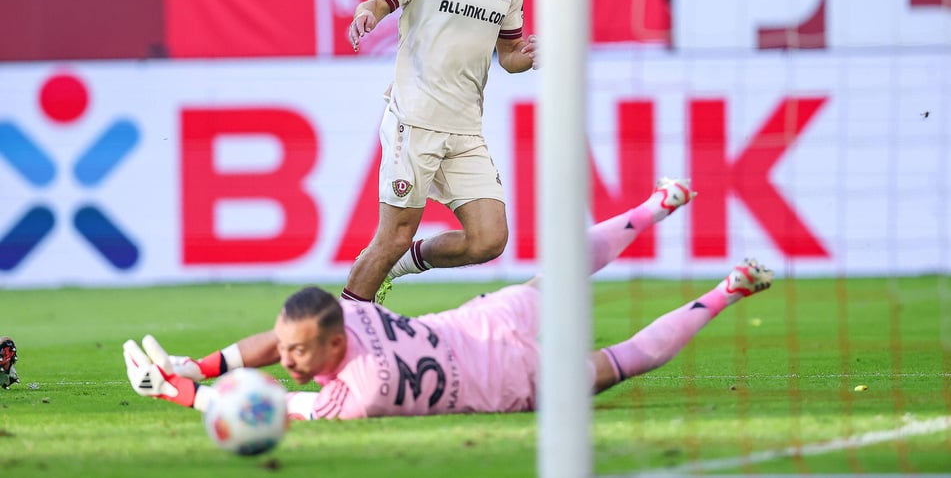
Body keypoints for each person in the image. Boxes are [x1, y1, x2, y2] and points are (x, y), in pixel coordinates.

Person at [124, 178, 775, 420]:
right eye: (290, 353)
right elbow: (282, 338)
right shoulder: (347, 316)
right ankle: (657, 210)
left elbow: (255, 408)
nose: (286, 363)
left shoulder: (347, 400)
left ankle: (726, 291)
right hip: (485, 323)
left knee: (620, 362)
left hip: (508, 383)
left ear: (330, 345)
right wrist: (201, 365)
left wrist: (184, 385)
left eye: (298, 354)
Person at [341, 0, 539, 305]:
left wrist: (531, 55)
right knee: (390, 235)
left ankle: (403, 262)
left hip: (465, 130)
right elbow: (377, 0)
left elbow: (508, 58)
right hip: (415, 121)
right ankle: (342, 337)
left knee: (489, 239)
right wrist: (366, 15)